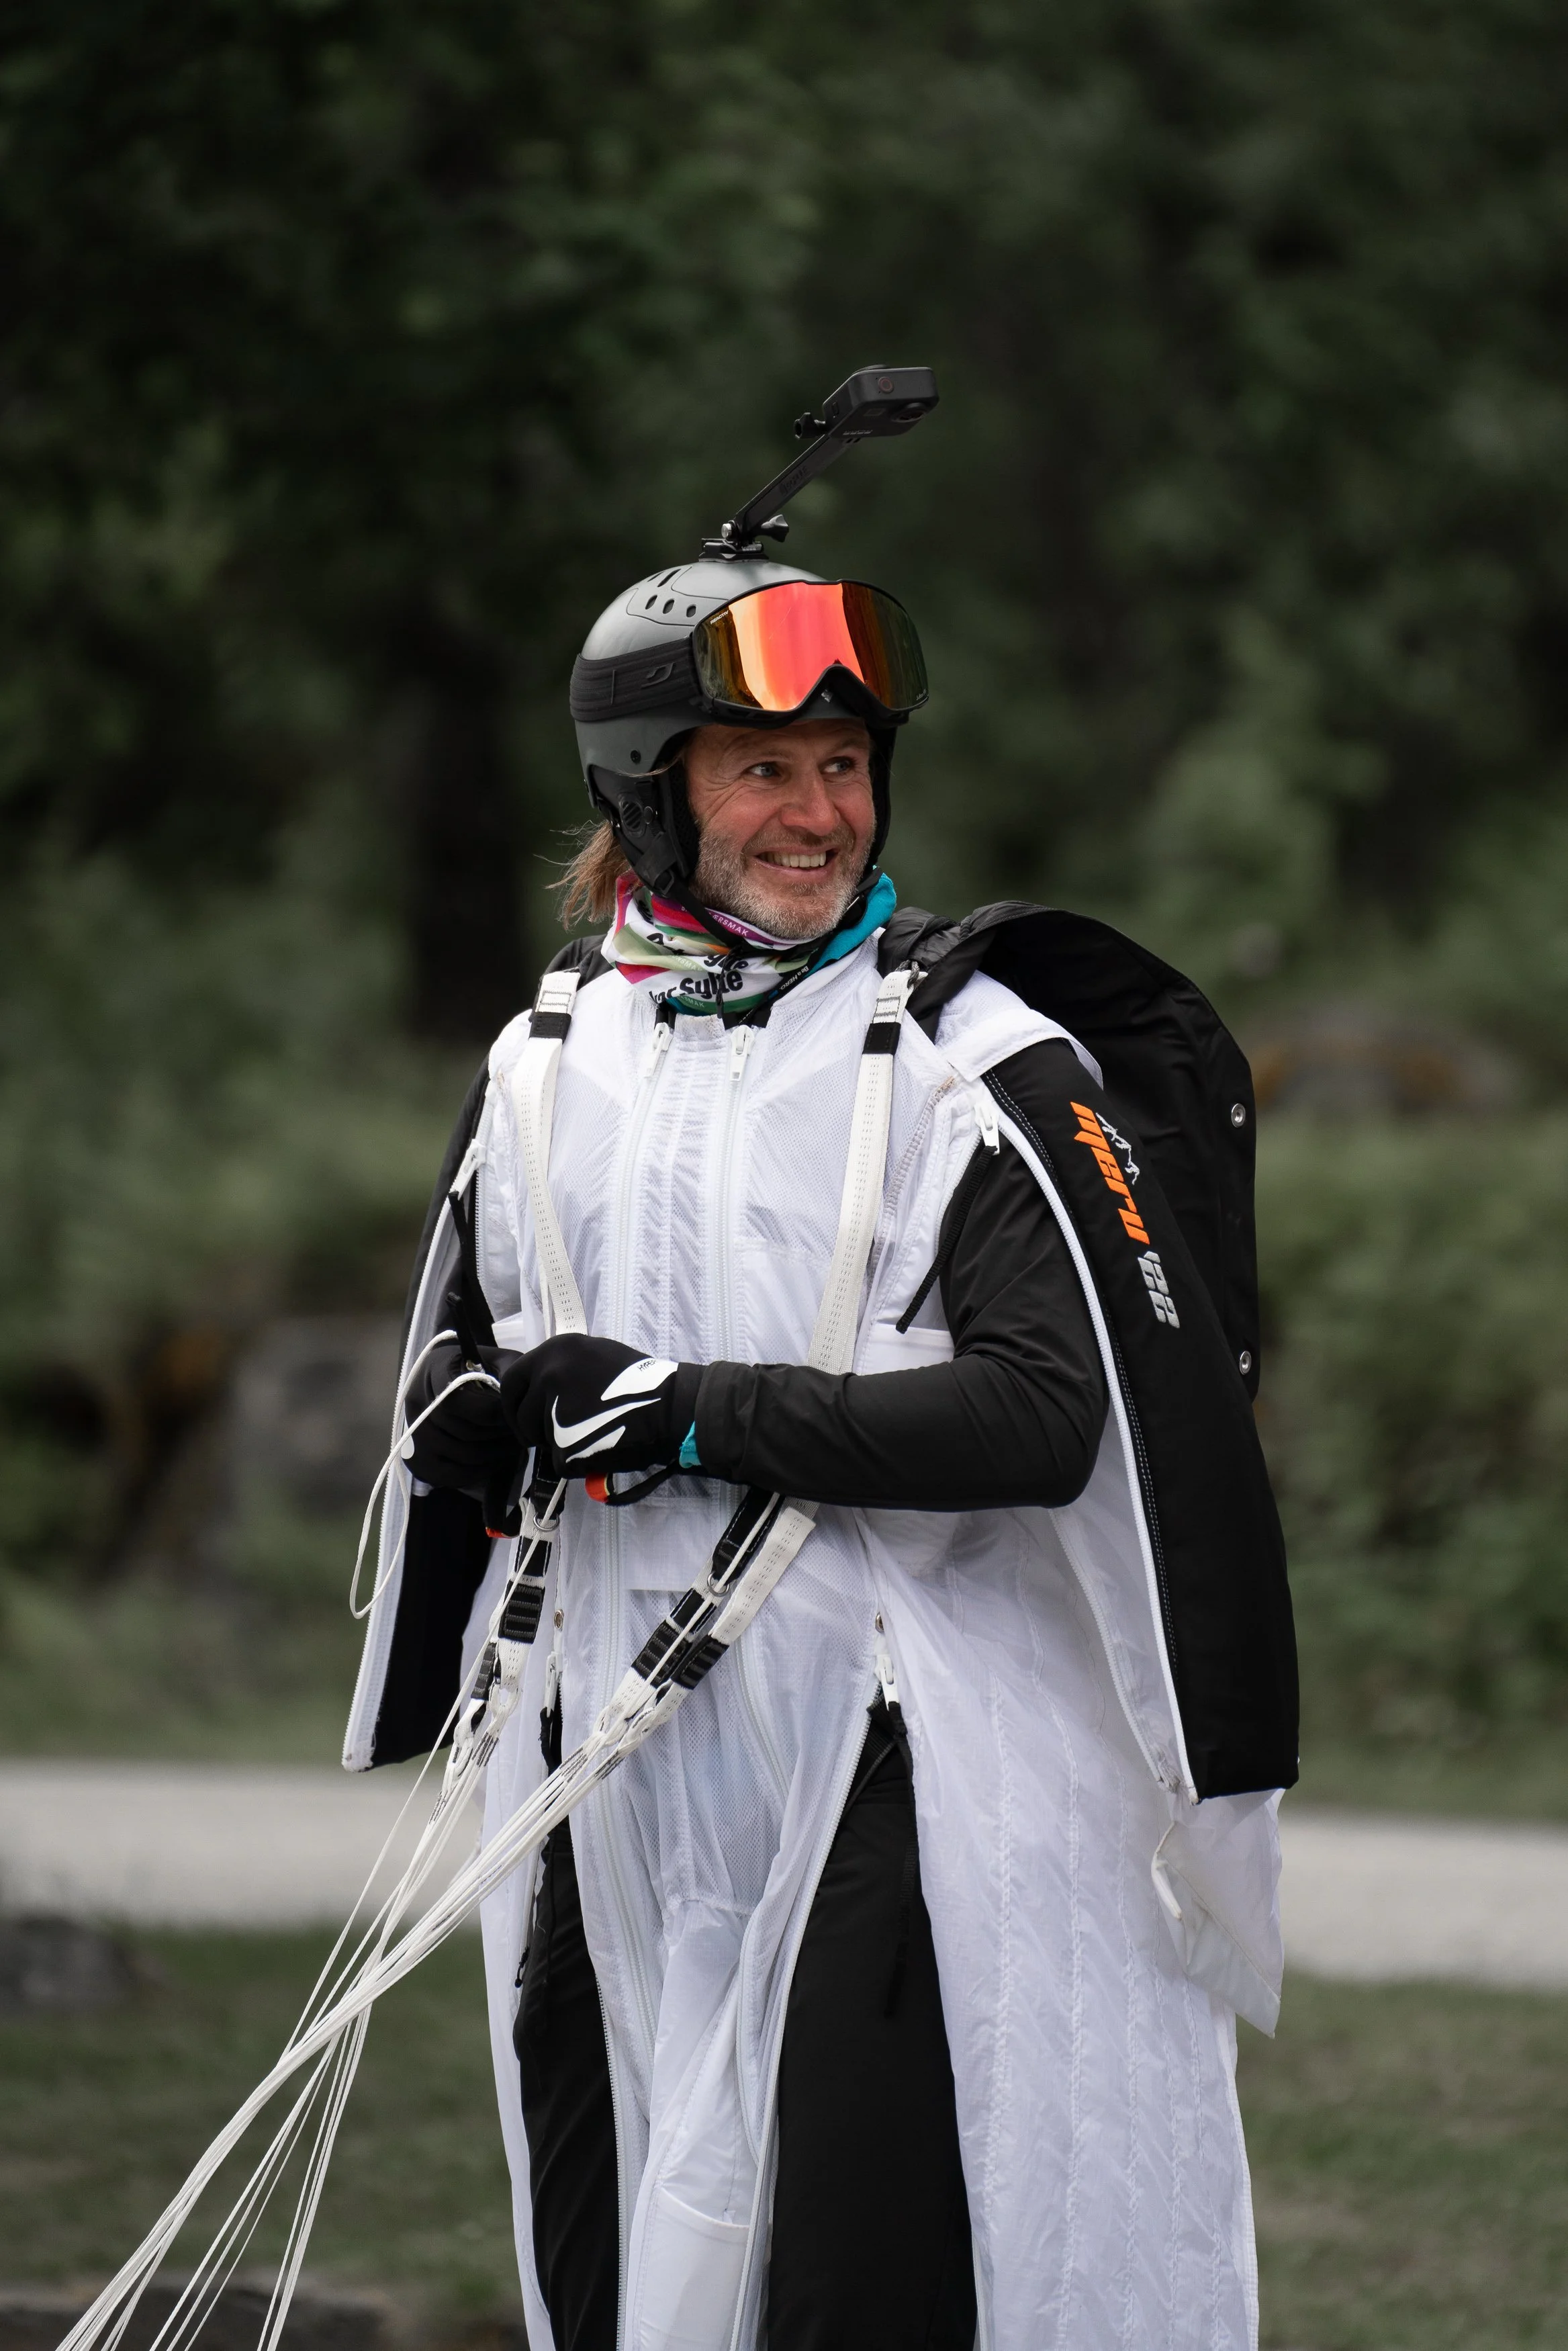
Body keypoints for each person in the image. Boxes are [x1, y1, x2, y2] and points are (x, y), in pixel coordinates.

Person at [342, 556, 1297, 2351]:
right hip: (608, 1764)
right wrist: (477, 1420)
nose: (817, 812)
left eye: (842, 762)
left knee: (857, 2280)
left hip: (898, 1750)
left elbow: (1041, 1412)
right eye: (760, 769)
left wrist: (694, 1404)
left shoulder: (966, 1055)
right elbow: (478, 1347)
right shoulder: (554, 1055)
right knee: (618, 2250)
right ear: (652, 793)